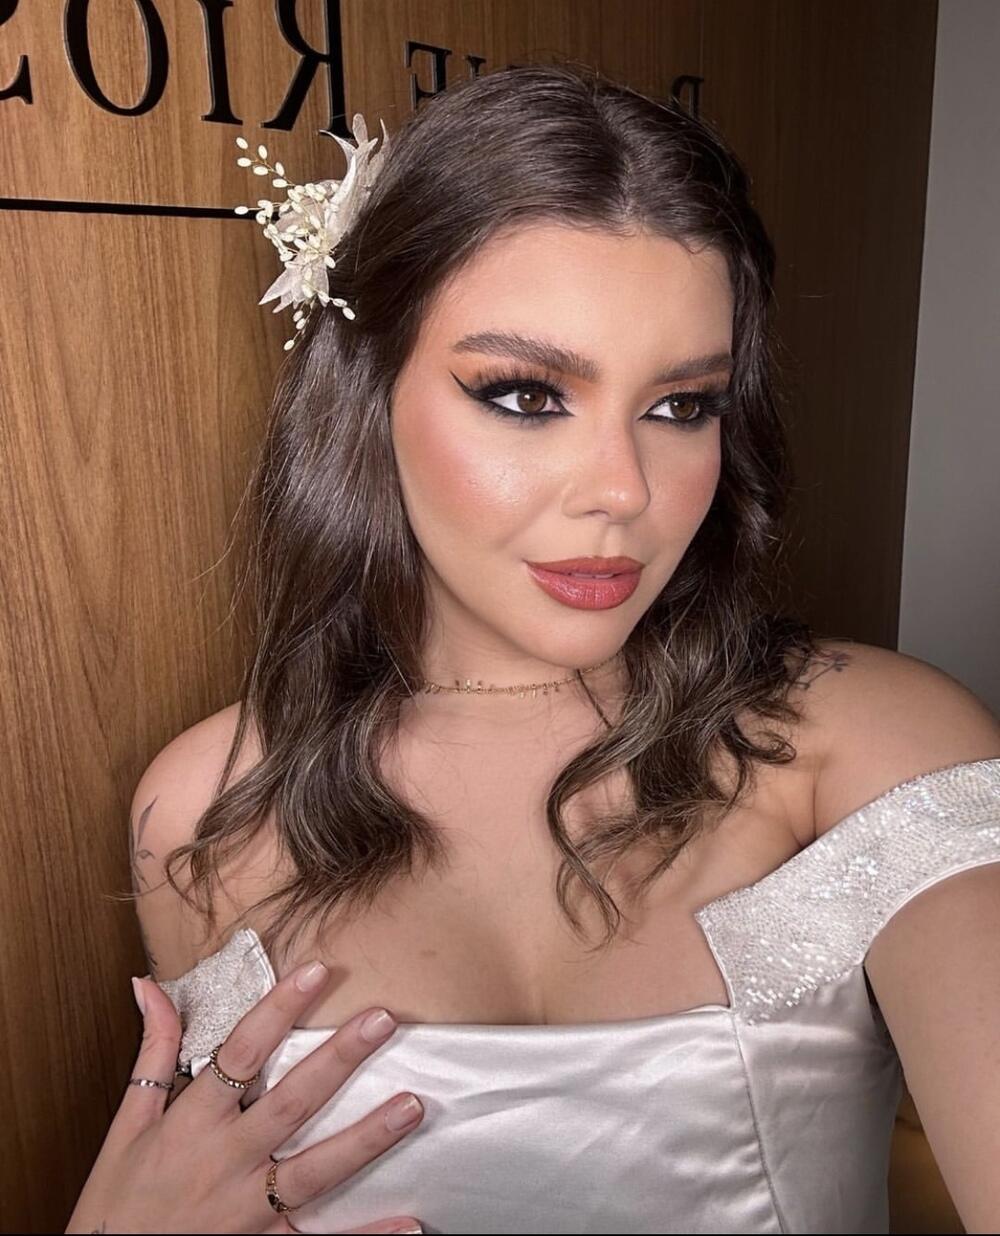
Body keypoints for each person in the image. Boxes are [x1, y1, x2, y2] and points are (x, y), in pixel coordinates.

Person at [70, 63, 1000, 1234]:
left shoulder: (872, 746)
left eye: (681, 405)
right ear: (367, 392)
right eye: (524, 396)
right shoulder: (206, 810)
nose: (623, 490)